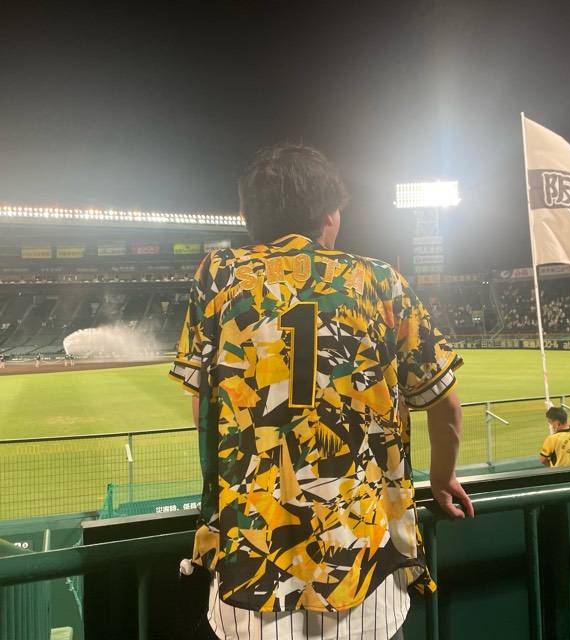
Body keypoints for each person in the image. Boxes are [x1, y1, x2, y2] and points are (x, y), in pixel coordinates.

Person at [171, 144, 473, 640]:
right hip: (364, 568)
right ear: (329, 216)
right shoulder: (381, 279)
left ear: (249, 218)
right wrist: (442, 478)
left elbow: (202, 405)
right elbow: (445, 405)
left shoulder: (218, 273)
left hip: (250, 570)